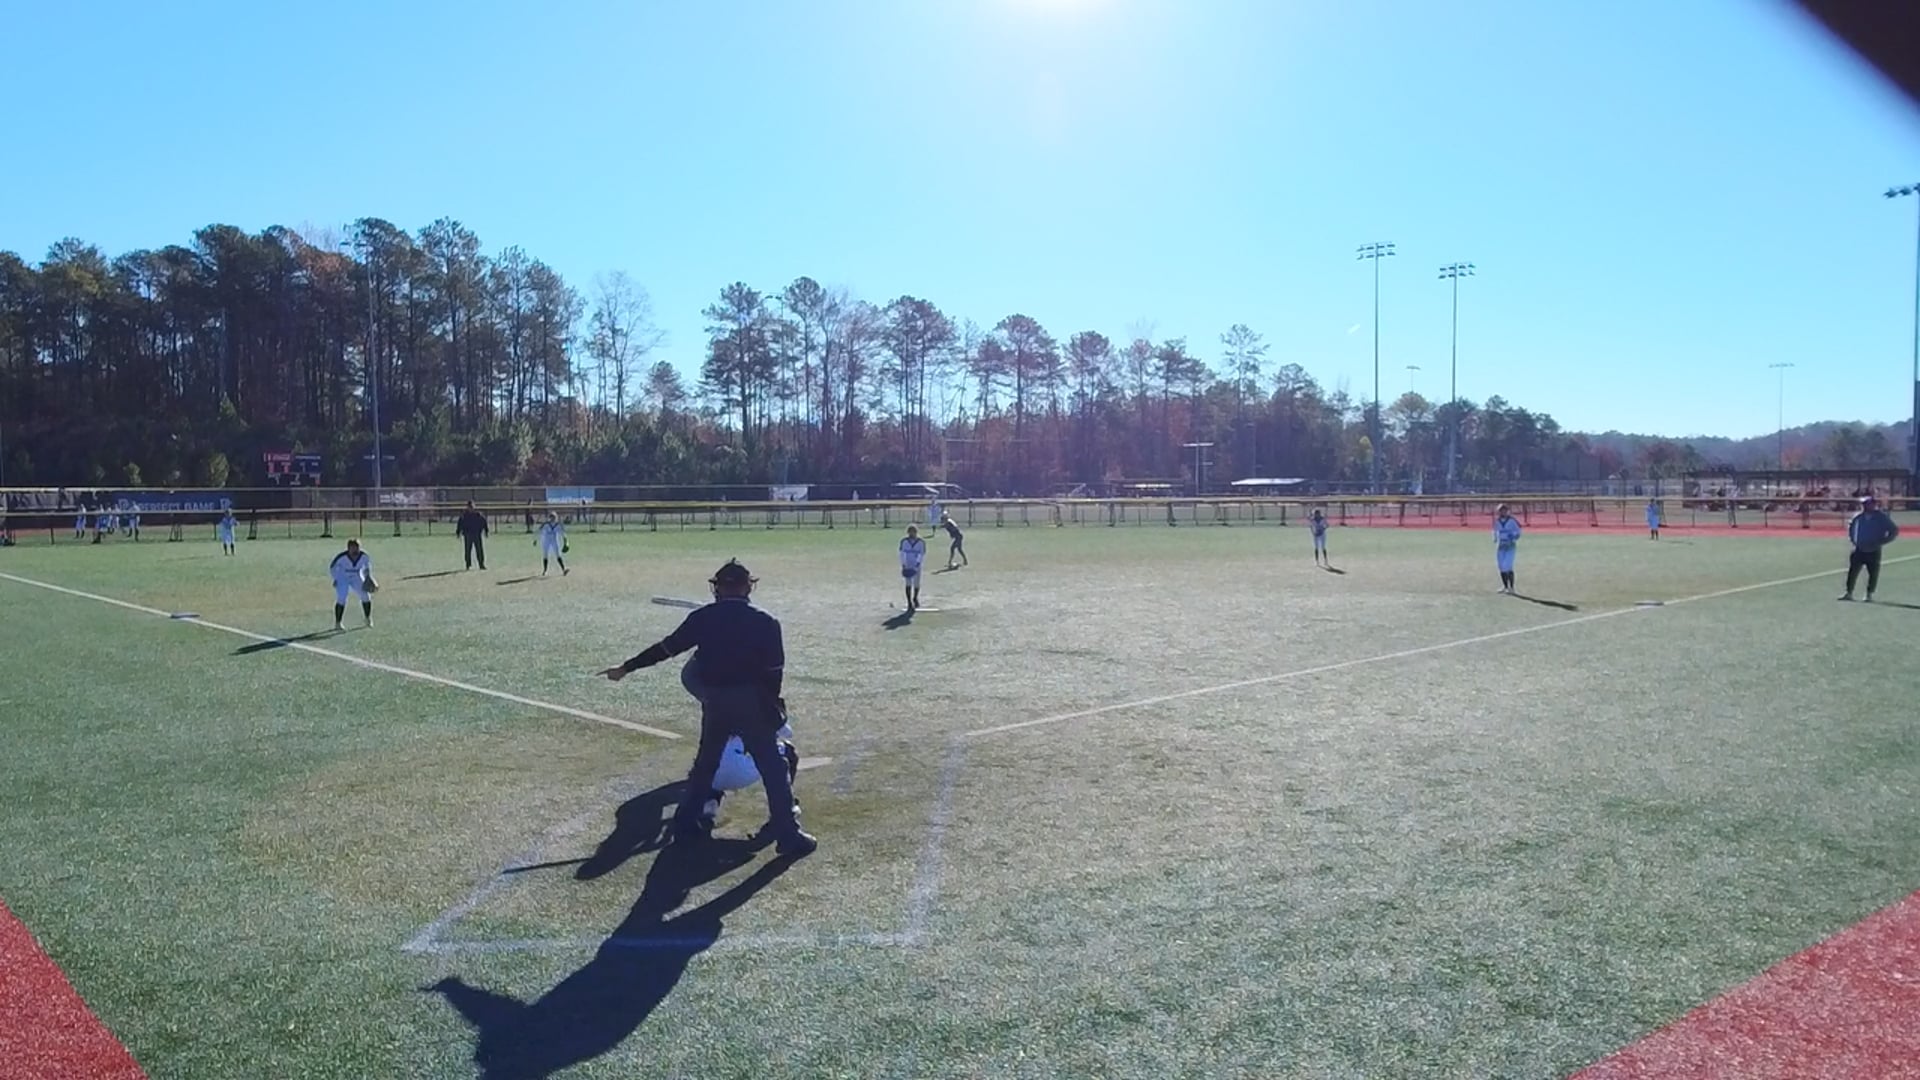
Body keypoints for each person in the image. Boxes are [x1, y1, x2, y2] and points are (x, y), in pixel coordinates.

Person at [597, 560, 816, 856]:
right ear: (748, 587)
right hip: (752, 701)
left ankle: (686, 826)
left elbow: (665, 649)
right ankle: (788, 835)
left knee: (705, 765)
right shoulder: (767, 622)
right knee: (774, 768)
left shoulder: (702, 618)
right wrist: (770, 708)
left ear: (718, 589)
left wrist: (626, 668)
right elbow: (774, 672)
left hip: (715, 702)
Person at [680, 655, 802, 830]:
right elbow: (787, 732)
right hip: (747, 770)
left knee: (707, 760)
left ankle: (708, 805)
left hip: (712, 775)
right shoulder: (761, 695)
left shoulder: (713, 699)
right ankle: (784, 812)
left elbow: (688, 676)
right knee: (789, 754)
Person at [1840, 494, 1900, 602]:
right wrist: (1853, 539)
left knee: (1873, 573)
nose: (1864, 506)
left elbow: (1893, 530)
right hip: (1859, 549)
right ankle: (1849, 593)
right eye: (1863, 504)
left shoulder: (1881, 517)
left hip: (1873, 550)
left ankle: (1869, 594)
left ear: (1873, 505)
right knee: (1852, 572)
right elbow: (1851, 526)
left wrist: (1883, 541)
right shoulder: (1858, 516)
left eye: (1867, 504)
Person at [328, 538, 378, 630]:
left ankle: (367, 618)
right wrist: (336, 578)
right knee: (342, 598)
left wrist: (368, 577)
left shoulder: (364, 556)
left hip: (356, 576)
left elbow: (367, 567)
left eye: (357, 548)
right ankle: (338, 623)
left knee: (366, 596)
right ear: (348, 548)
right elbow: (332, 567)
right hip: (343, 577)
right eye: (352, 548)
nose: (355, 550)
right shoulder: (341, 557)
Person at [1494, 504, 1522, 594]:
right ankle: (1505, 586)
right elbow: (1495, 531)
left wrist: (1513, 537)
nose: (1503, 512)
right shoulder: (1497, 521)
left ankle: (1512, 587)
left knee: (1508, 566)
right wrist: (1495, 538)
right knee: (1501, 566)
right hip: (1501, 545)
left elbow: (1518, 532)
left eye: (1504, 510)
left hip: (1510, 546)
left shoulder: (1512, 521)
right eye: (1501, 510)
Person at [900, 525, 927, 611]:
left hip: (916, 564)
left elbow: (921, 554)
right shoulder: (904, 541)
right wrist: (904, 565)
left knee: (916, 583)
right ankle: (909, 602)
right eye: (910, 532)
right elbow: (902, 553)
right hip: (908, 564)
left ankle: (915, 597)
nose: (912, 534)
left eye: (913, 532)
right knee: (908, 583)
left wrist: (917, 565)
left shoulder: (921, 542)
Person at [456, 500, 489, 571]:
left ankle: (481, 564)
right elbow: (460, 524)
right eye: (469, 507)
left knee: (479, 550)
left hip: (477, 534)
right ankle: (468, 564)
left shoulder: (478, 515)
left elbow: (484, 523)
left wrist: (486, 531)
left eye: (472, 507)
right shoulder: (464, 516)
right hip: (468, 535)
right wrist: (458, 532)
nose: (471, 508)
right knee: (467, 550)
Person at [537, 511, 569, 577]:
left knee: (558, 554)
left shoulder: (558, 525)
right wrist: (536, 539)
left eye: (554, 517)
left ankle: (564, 569)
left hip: (554, 541)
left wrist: (566, 542)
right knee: (545, 555)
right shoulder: (546, 524)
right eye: (551, 517)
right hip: (546, 541)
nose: (553, 519)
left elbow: (563, 534)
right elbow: (539, 531)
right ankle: (545, 570)